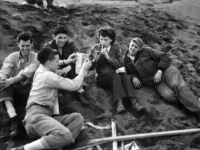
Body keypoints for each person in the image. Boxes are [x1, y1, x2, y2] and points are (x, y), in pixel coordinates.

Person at [11, 47, 92, 150]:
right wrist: (83, 69)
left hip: (45, 116)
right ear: (49, 63)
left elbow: (53, 63)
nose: (59, 64)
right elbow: (74, 85)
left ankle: (60, 145)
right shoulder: (47, 76)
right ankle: (23, 149)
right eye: (57, 61)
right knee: (65, 135)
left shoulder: (41, 69)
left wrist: (67, 61)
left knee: (77, 118)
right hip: (36, 118)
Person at [124, 37, 200, 126]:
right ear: (129, 44)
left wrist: (159, 71)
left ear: (140, 48)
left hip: (166, 70)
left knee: (178, 86)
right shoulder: (126, 60)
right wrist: (133, 77)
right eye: (132, 45)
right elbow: (128, 73)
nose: (132, 48)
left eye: (136, 47)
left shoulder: (147, 50)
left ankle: (198, 113)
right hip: (156, 82)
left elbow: (165, 57)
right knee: (169, 96)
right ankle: (193, 100)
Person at [89, 27, 145, 114]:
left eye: (105, 40)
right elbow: (90, 67)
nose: (102, 42)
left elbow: (121, 64)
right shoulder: (95, 48)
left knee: (124, 75)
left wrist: (108, 57)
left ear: (111, 40)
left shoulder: (116, 48)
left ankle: (134, 101)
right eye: (101, 39)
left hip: (115, 75)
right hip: (102, 77)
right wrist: (96, 59)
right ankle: (119, 103)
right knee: (116, 76)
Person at [0, 32, 39, 138]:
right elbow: (5, 69)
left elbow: (26, 74)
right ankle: (13, 118)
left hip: (29, 87)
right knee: (3, 85)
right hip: (15, 87)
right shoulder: (12, 56)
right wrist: (3, 80)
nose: (25, 48)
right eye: (22, 45)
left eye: (28, 45)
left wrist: (9, 81)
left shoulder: (36, 57)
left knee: (7, 84)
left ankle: (16, 122)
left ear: (31, 45)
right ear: (18, 45)